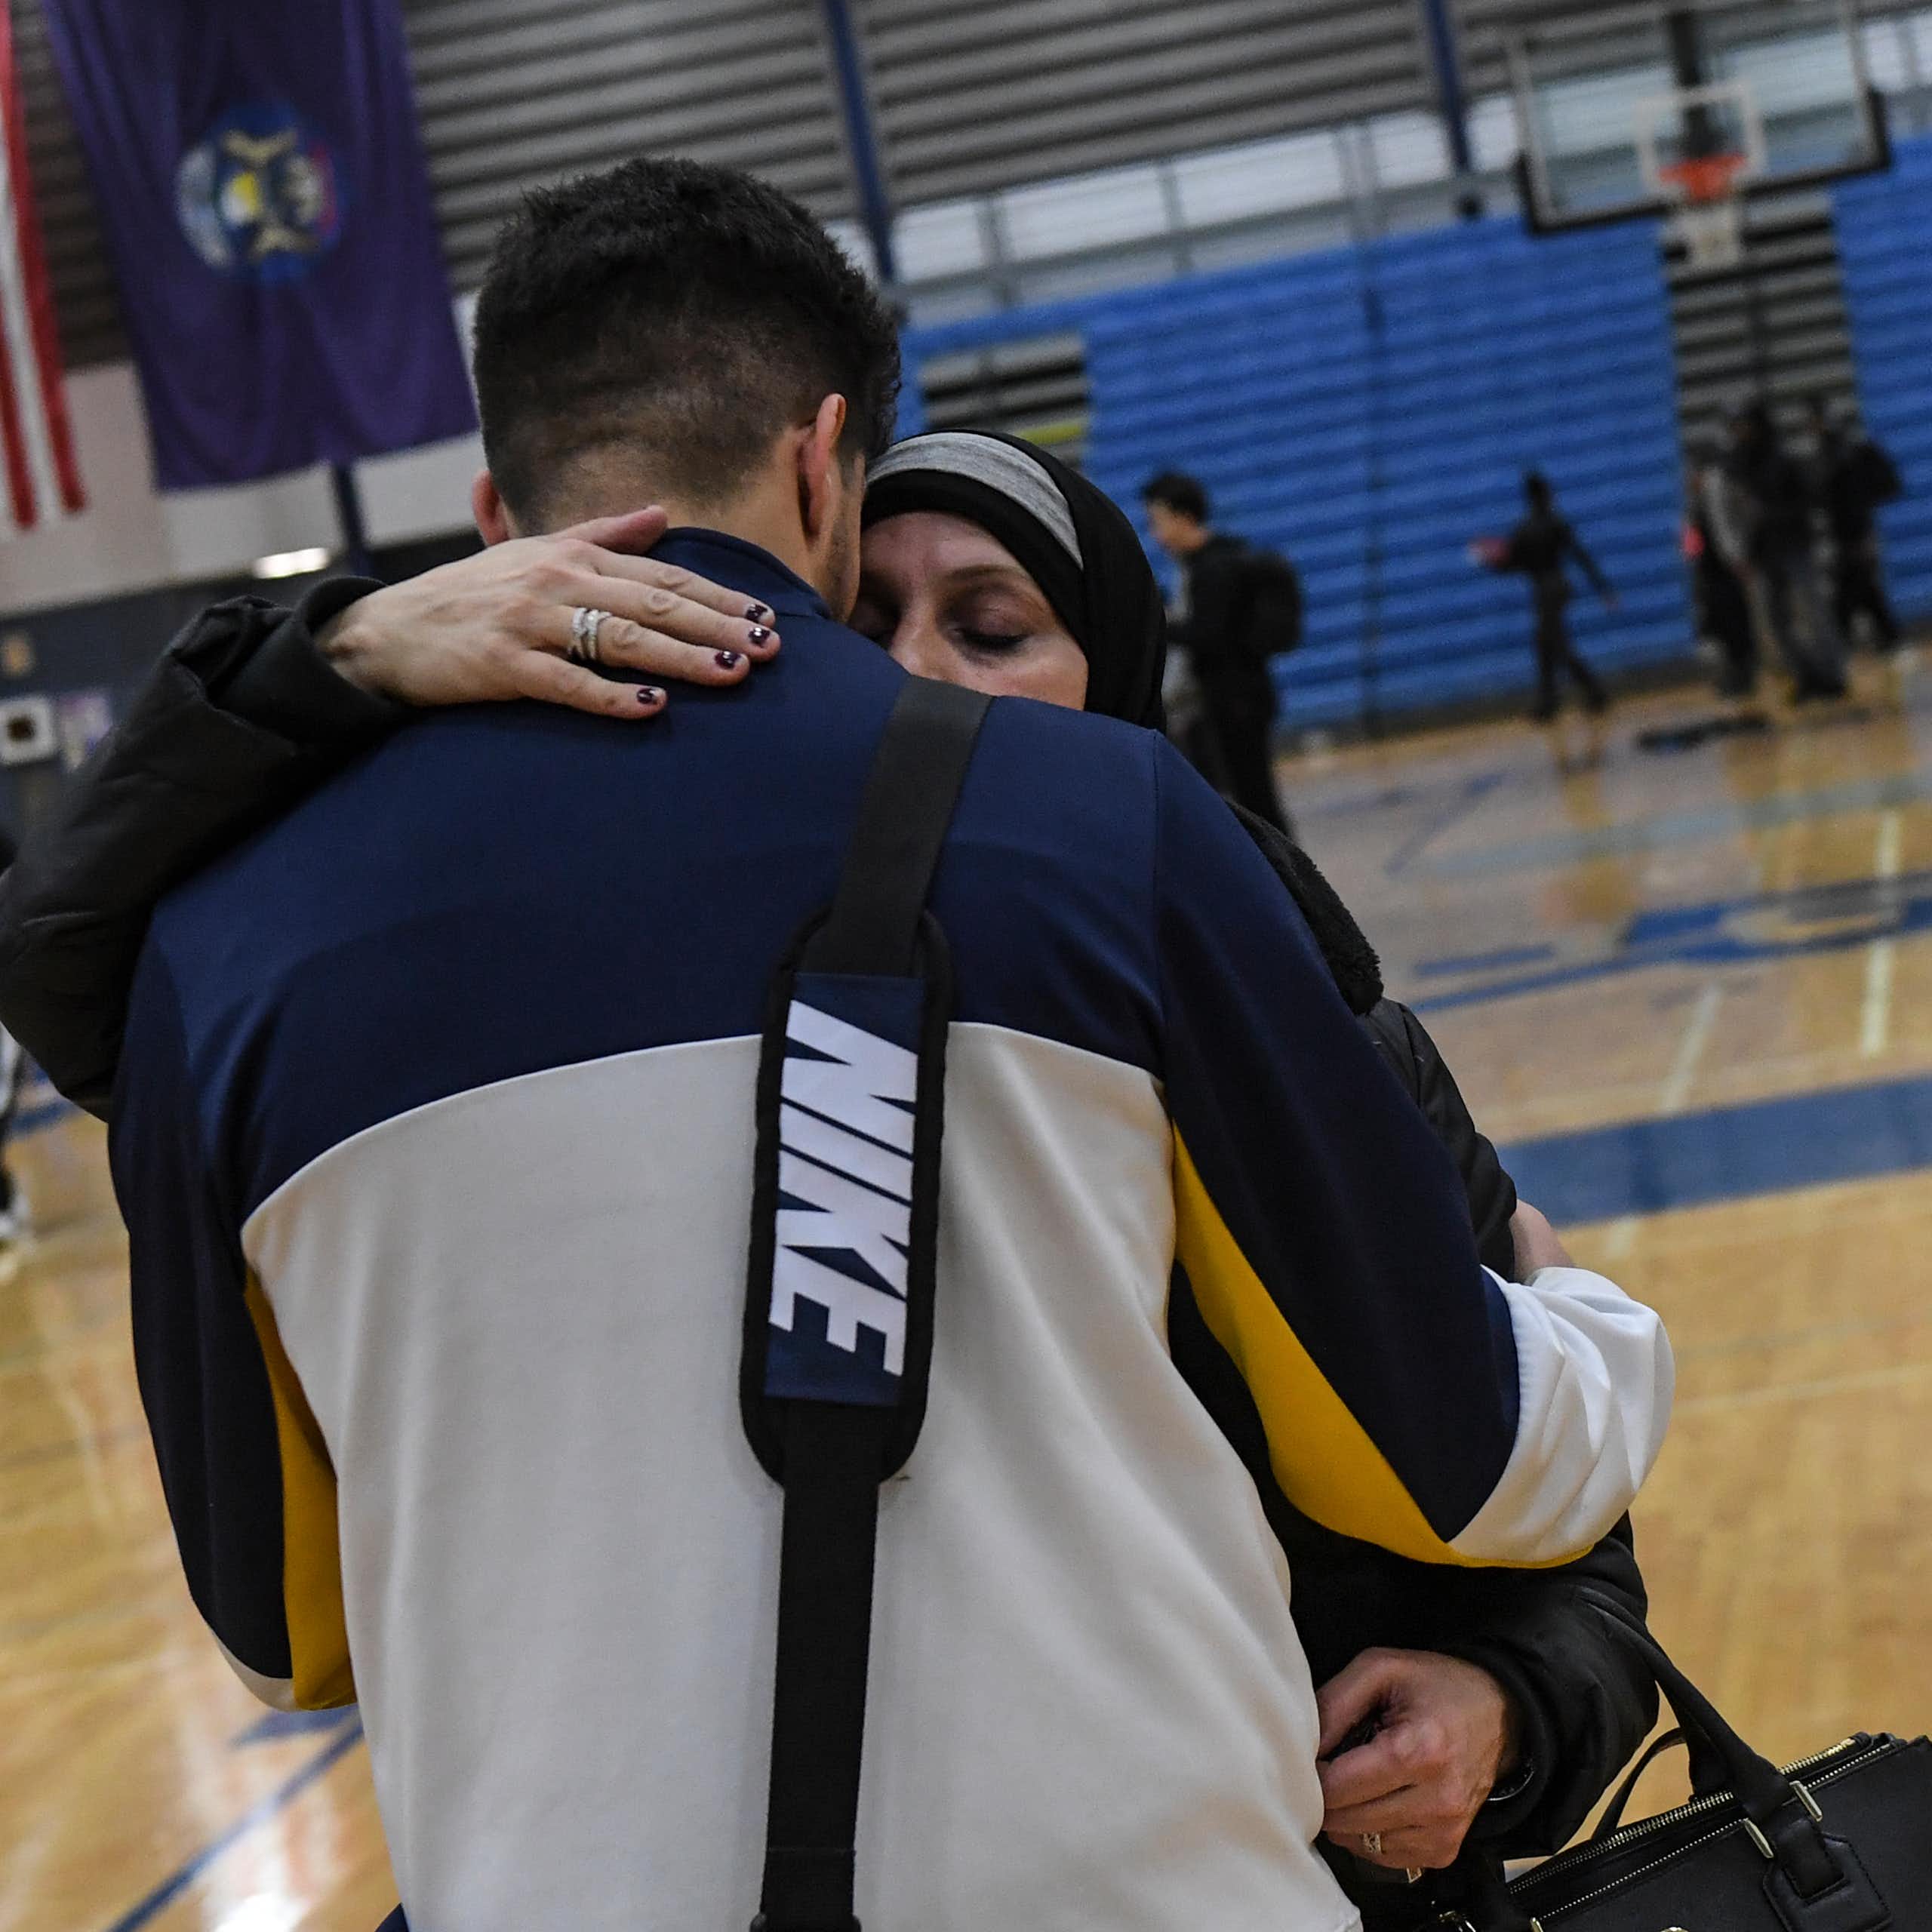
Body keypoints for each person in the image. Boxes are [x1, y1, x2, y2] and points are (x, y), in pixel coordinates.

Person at [45, 161, 1670, 1930]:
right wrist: (1588, 1321)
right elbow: (1457, 1460)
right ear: (825, 460)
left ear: (494, 504)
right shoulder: (1106, 828)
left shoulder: (217, 953)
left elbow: (287, 1623)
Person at [1141, 469, 1294, 833]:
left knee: (1255, 800)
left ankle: (1286, 883)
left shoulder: (1214, 568)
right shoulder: (1205, 563)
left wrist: (1159, 624)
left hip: (1236, 698)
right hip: (1231, 697)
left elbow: (1209, 635)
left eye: (1158, 522)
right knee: (1242, 797)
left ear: (1183, 517)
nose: (1156, 535)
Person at [1718, 401, 1846, 702]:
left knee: (1814, 613)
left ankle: (1832, 674)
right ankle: (1805, 674)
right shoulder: (1738, 465)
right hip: (1764, 552)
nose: (1740, 432)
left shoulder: (1782, 461)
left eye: (1744, 425)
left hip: (1794, 546)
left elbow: (1807, 504)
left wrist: (1769, 514)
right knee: (1776, 623)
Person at [1496, 472, 1615, 723]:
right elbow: (1580, 556)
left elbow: (1511, 564)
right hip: (1560, 586)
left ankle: (1593, 694)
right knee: (1546, 645)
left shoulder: (1524, 529)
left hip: (1543, 591)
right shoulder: (1556, 522)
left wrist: (1489, 561)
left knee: (1556, 646)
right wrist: (1603, 589)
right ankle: (1550, 703)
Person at [1807, 396, 1903, 654]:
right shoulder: (1825, 456)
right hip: (1840, 535)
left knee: (1859, 588)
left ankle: (1879, 639)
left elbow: (1886, 484)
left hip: (1858, 532)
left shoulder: (1853, 452)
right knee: (1854, 589)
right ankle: (1876, 639)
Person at [1685, 443, 1758, 697]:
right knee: (1722, 628)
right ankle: (1736, 675)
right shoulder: (1698, 497)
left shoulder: (1715, 488)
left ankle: (1744, 676)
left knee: (1735, 625)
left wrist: (1737, 559)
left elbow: (1725, 530)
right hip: (1712, 572)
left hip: (1725, 569)